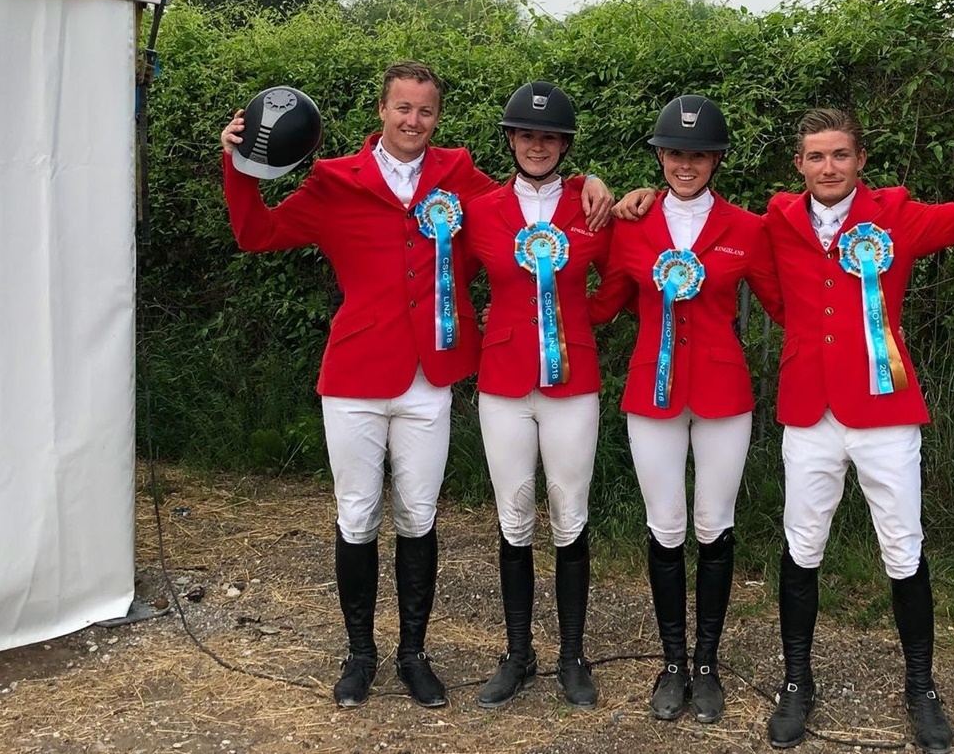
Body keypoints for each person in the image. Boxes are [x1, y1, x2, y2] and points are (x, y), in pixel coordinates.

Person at [219, 61, 613, 710]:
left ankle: (414, 656)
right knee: (357, 514)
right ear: (382, 110)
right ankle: (360, 656)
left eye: (425, 111)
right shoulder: (333, 180)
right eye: (403, 108)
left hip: (431, 375)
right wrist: (240, 165)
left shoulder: (459, 175)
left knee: (418, 515)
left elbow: (529, 199)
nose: (413, 120)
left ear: (438, 117)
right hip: (355, 373)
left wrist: (589, 181)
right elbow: (255, 232)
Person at [761, 80, 954, 753]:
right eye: (816, 156)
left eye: (840, 154)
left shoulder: (895, 215)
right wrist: (636, 198)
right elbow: (725, 246)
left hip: (884, 410)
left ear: (861, 159)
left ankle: (922, 687)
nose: (828, 167)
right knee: (802, 544)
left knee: (902, 546)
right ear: (799, 164)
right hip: (809, 411)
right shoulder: (778, 218)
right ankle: (796, 681)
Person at [589, 95, 784, 724]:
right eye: (674, 152)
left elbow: (785, 304)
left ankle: (706, 663)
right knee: (666, 524)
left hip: (723, 394)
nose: (685, 164)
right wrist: (532, 309)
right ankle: (672, 662)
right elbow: (604, 303)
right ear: (660, 156)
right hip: (652, 395)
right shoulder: (632, 224)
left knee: (713, 524)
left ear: (716, 159)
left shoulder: (748, 228)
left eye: (698, 154)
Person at [462, 82, 611, 711]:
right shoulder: (481, 209)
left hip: (572, 385)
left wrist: (582, 322)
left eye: (550, 137)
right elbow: (447, 278)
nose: (538, 145)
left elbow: (621, 279)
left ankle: (572, 655)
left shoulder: (591, 206)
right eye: (527, 135)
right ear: (511, 140)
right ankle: (518, 652)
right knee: (514, 516)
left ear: (565, 145)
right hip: (503, 381)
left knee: (569, 514)